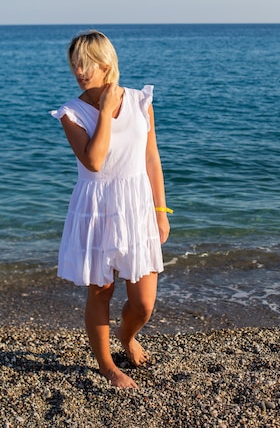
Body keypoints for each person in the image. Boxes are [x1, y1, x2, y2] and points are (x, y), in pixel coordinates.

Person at [51, 30, 170, 389]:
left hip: (136, 206)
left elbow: (152, 158)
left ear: (106, 63)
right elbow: (95, 161)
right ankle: (107, 367)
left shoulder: (139, 101)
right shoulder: (71, 113)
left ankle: (126, 334)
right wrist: (104, 110)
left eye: (86, 63)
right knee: (100, 290)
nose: (79, 70)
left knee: (144, 303)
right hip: (96, 208)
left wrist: (161, 210)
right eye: (75, 63)